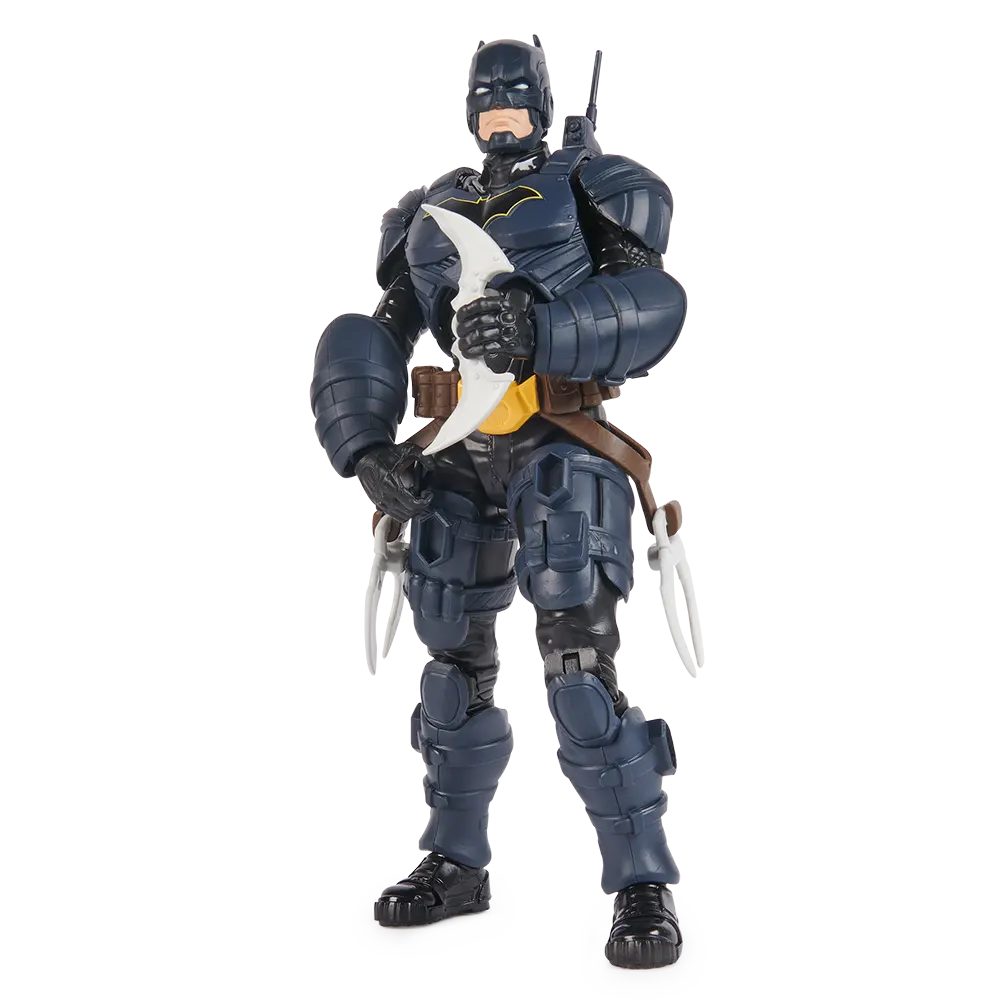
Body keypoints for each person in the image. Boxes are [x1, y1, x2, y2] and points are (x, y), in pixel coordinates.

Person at [310, 33, 688, 970]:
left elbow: (654, 302)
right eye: (489, 102)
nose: (502, 116)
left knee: (580, 673)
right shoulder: (429, 213)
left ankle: (642, 881)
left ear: (545, 103)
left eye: (517, 99)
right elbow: (381, 329)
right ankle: (453, 861)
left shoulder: (592, 184)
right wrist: (366, 445)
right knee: (449, 666)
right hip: (453, 450)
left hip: (562, 437)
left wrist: (543, 326)